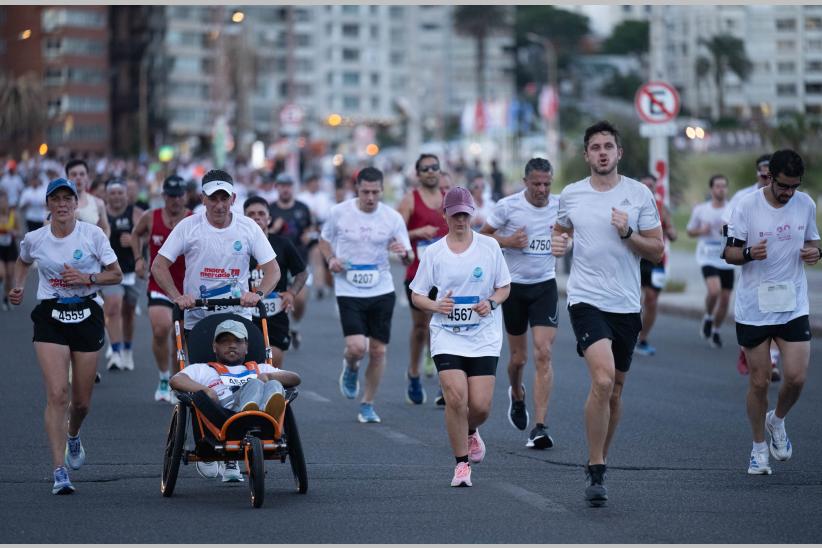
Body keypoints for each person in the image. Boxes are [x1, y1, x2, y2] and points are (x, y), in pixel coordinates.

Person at [551, 121, 663, 507]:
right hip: (586, 299)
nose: (602, 152)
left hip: (626, 304)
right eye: (595, 147)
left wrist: (628, 232)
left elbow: (657, 250)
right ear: (586, 155)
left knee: (616, 390)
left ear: (618, 153)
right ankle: (596, 467)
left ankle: (600, 456)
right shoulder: (572, 194)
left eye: (608, 147)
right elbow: (560, 230)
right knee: (602, 379)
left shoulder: (638, 194)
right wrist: (558, 243)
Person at [9, 178, 123, 494]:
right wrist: (18, 286)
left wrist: (87, 278)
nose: (62, 204)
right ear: (48, 204)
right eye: (56, 199)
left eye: (67, 199)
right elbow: (22, 261)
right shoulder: (35, 238)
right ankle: (59, 470)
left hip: (87, 313)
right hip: (51, 315)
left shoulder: (93, 235)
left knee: (82, 402)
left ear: (76, 204)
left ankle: (73, 433)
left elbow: (116, 274)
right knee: (58, 393)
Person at [723, 148, 819, 475]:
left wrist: (816, 252)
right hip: (754, 307)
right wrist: (749, 252)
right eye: (783, 186)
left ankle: (776, 421)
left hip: (792, 303)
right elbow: (729, 252)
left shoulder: (806, 204)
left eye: (795, 186)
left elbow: (815, 243)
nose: (789, 193)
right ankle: (758, 448)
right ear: (769, 177)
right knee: (760, 382)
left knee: (796, 377)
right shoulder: (747, 205)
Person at [410, 186, 511, 487]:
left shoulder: (489, 247)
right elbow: (417, 295)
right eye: (455, 215)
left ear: (472, 214)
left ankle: (469, 431)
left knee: (479, 406)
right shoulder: (435, 253)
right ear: (445, 216)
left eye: (466, 214)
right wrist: (435, 305)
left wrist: (491, 302)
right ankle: (461, 465)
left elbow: (504, 287)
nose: (461, 220)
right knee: (456, 398)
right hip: (446, 333)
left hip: (483, 334)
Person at [319, 167, 413, 423]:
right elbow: (324, 240)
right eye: (365, 192)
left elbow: (408, 257)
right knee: (357, 347)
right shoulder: (339, 213)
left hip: (382, 288)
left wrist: (402, 253)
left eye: (375, 192)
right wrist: (331, 259)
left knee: (379, 351)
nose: (370, 197)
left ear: (382, 190)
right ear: (357, 189)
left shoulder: (392, 218)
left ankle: (368, 403)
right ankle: (350, 367)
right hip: (349, 288)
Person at [480, 158, 559, 449]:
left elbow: (571, 234)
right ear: (525, 182)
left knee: (544, 353)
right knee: (518, 360)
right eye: (536, 184)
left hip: (544, 286)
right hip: (513, 288)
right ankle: (516, 392)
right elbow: (482, 237)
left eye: (547, 184)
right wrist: (508, 241)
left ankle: (539, 426)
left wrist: (566, 243)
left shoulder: (560, 206)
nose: (542, 189)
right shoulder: (507, 206)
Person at [168, 319, 300, 482]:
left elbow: (295, 378)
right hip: (225, 414)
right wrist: (204, 390)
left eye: (237, 341)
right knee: (254, 383)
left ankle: (265, 411)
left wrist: (269, 375)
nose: (231, 345)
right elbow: (176, 380)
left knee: (273, 383)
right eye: (225, 342)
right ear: (214, 347)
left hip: (264, 417)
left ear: (246, 347)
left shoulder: (259, 367)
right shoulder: (202, 369)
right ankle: (248, 411)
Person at [151, 169, 280, 335]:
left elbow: (273, 270)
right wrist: (177, 297)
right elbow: (158, 265)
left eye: (224, 198)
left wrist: (258, 294)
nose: (219, 206)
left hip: (238, 315)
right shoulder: (188, 226)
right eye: (213, 198)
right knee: (198, 362)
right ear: (202, 199)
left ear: (233, 198)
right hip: (198, 316)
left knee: (239, 361)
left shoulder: (248, 227)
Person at [131, 175, 191, 402]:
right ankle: (164, 377)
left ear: (185, 196)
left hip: (187, 288)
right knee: (161, 329)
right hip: (159, 284)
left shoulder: (194, 219)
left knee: (181, 339)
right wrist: (138, 258)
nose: (176, 200)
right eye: (171, 196)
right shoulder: (150, 217)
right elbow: (135, 235)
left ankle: (178, 381)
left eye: (180, 196)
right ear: (164, 196)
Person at [397, 154, 449, 406]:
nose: (430, 172)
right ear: (417, 174)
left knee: (445, 328)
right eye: (425, 169)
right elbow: (394, 234)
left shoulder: (449, 198)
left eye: (434, 168)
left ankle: (445, 382)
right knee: (421, 328)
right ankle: (414, 374)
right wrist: (417, 232)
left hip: (448, 275)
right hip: (418, 275)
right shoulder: (410, 200)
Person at [724, 154, 782, 379]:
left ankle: (773, 362)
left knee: (778, 315)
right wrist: (743, 250)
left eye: (770, 172)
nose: (766, 176)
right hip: (751, 266)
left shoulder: (788, 197)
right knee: (757, 315)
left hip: (780, 269)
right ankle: (748, 349)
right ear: (757, 172)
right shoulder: (743, 197)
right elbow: (727, 227)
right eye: (762, 171)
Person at [243, 196, 308, 367]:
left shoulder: (282, 244)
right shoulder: (237, 246)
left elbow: (301, 272)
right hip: (245, 311)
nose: (256, 217)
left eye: (261, 213)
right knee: (250, 362)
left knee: (274, 361)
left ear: (269, 218)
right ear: (243, 219)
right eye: (251, 214)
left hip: (275, 311)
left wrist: (292, 293)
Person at [101, 178, 145, 371]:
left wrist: (135, 240)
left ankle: (127, 350)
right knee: (112, 307)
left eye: (120, 193)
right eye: (113, 193)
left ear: (127, 195)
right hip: (110, 270)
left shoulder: (135, 213)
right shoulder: (101, 214)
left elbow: (150, 235)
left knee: (128, 313)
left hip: (131, 270)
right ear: (106, 195)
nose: (117, 197)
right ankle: (115, 352)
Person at [686, 174, 734, 348]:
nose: (721, 189)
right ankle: (708, 316)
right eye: (718, 186)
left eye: (724, 186)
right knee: (714, 292)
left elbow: (743, 232)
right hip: (707, 256)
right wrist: (702, 230)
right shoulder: (701, 210)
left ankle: (716, 330)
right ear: (711, 189)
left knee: (726, 299)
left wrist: (728, 231)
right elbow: (690, 231)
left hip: (726, 257)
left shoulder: (733, 209)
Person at [269, 173, 314, 349]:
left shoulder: (302, 208)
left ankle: (295, 326)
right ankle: (277, 333)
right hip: (276, 262)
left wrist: (308, 234)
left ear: (292, 188)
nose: (285, 189)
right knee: (274, 299)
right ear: (277, 188)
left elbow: (310, 227)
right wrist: (275, 228)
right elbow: (263, 233)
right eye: (282, 185)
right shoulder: (270, 210)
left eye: (288, 185)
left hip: (298, 260)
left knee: (301, 299)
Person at [634, 173, 677, 356]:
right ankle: (626, 335)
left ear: (655, 187)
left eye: (651, 185)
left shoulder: (661, 208)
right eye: (644, 185)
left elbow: (671, 230)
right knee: (633, 300)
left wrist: (671, 232)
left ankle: (642, 338)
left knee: (651, 300)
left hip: (656, 260)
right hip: (634, 259)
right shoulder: (630, 206)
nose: (647, 188)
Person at [65, 159, 110, 237]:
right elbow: (47, 228)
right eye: (74, 174)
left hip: (90, 248)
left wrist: (103, 246)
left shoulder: (98, 203)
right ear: (67, 178)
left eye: (82, 174)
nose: (78, 178)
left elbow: (106, 228)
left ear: (87, 177)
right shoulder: (58, 203)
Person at [0, 188, 20, 310]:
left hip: (11, 248)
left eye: (4, 202)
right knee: (2, 273)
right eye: (0, 202)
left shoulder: (14, 215)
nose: (2, 204)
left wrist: (13, 232)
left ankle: (6, 298)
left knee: (10, 275)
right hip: (0, 249)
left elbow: (20, 232)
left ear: (7, 202)